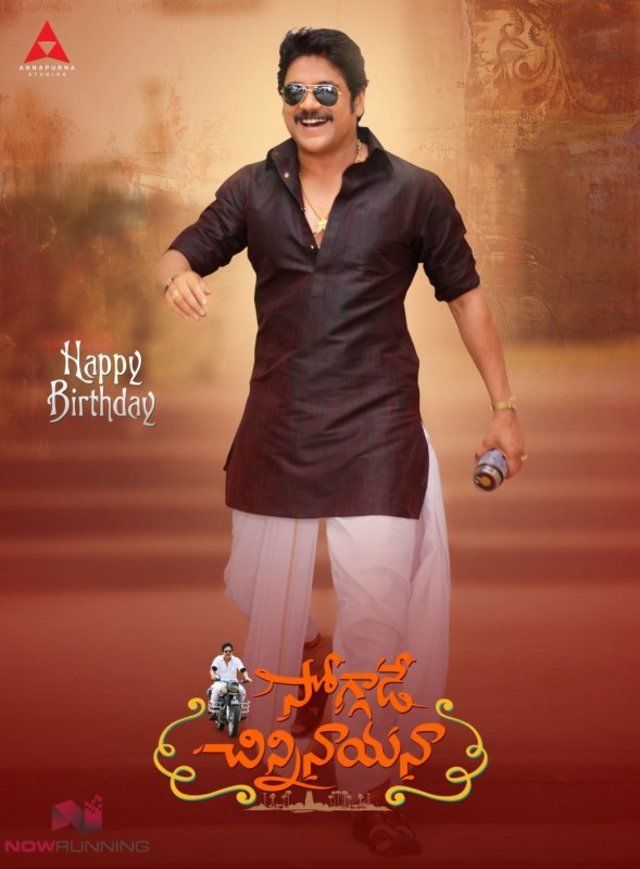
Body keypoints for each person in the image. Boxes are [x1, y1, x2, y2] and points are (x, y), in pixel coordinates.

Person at [155, 27, 526, 855]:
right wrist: (176, 274)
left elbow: (465, 295)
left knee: (377, 612)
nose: (309, 105)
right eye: (295, 91)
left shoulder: (415, 193)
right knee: (257, 592)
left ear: (358, 100)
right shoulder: (253, 189)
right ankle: (308, 661)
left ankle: (367, 787)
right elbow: (181, 250)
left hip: (377, 427)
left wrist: (503, 405)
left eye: (326, 91)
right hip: (278, 427)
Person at [207, 642, 252, 717]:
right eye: (226, 651)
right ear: (223, 652)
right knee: (216, 690)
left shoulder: (236, 660)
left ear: (232, 652)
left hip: (233, 682)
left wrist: (247, 677)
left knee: (242, 691)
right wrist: (213, 675)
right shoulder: (218, 659)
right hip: (220, 681)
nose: (228, 653)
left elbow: (243, 670)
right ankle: (214, 711)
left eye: (229, 651)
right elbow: (213, 669)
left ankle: (238, 710)